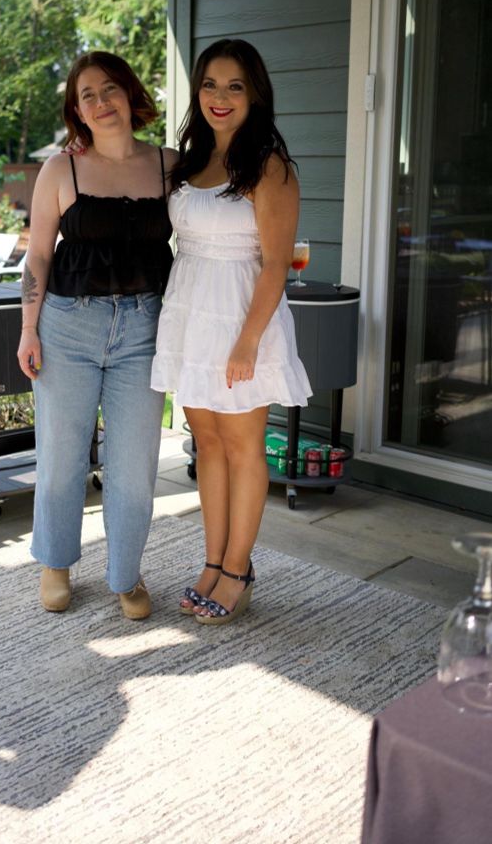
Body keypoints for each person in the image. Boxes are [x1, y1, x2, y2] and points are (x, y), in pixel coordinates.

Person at [151, 38, 312, 625]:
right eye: (210, 85)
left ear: (255, 95)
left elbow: (275, 265)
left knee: (244, 446)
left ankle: (238, 570)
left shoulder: (269, 165)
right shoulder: (189, 161)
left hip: (243, 319)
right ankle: (212, 562)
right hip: (190, 314)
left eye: (235, 86)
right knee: (209, 444)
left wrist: (248, 341)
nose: (220, 97)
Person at [18, 51, 177, 620]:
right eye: (87, 95)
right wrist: (28, 329)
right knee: (62, 457)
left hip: (145, 329)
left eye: (109, 88)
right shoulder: (60, 170)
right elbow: (38, 255)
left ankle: (125, 574)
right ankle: (56, 562)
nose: (101, 102)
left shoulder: (169, 166)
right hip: (68, 325)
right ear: (77, 111)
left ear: (129, 94)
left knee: (135, 466)